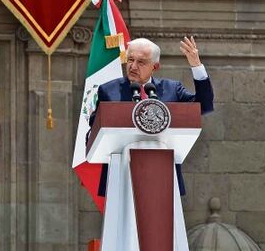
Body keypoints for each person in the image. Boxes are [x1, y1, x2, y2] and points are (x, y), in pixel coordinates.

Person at [90, 35, 214, 196]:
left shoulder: (172, 89)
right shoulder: (109, 91)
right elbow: (94, 131)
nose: (133, 66)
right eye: (130, 60)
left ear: (155, 66)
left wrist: (196, 66)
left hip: (163, 175)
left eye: (141, 62)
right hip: (120, 176)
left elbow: (204, 106)